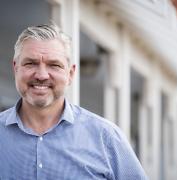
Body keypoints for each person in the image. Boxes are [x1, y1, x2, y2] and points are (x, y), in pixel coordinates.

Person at [0, 24, 148, 180]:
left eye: (54, 65)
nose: (42, 75)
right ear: (16, 68)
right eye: (30, 63)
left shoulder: (106, 138)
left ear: (70, 74)